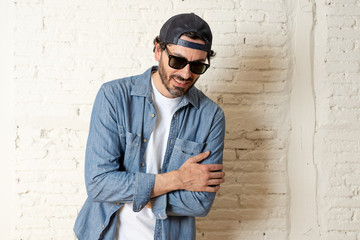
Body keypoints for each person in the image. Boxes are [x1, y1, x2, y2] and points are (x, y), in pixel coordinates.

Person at [74, 13, 226, 240]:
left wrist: (129, 189)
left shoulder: (211, 116)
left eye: (197, 66)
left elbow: (200, 203)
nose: (186, 73)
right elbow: (99, 184)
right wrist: (179, 180)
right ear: (158, 50)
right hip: (105, 234)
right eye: (177, 61)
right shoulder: (114, 97)